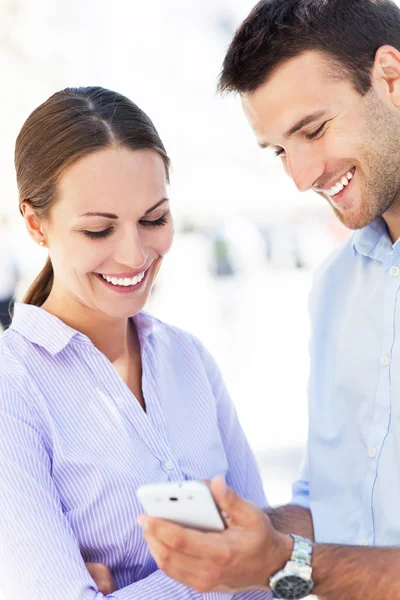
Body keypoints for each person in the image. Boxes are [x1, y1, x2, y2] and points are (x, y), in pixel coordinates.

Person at [137, 1, 400, 599]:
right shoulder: (336, 288)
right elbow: (333, 507)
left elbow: (305, 556)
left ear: (391, 78)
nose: (302, 175)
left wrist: (290, 562)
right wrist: (227, 537)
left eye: (312, 130)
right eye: (280, 150)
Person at [0, 86, 273, 600]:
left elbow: (266, 573)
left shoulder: (189, 359)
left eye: (154, 220)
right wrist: (223, 569)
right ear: (36, 224)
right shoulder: (12, 388)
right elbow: (254, 565)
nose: (134, 255)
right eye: (99, 231)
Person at [0, 215, 20, 330]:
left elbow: (16, 271)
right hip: (6, 294)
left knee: (11, 326)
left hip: (7, 296)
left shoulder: (7, 247)